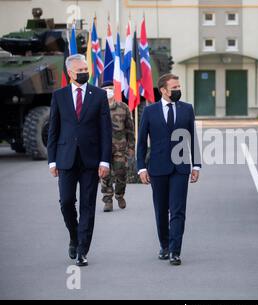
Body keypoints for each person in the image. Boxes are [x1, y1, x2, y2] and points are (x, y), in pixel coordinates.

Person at [47, 54, 112, 267]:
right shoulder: (59, 96)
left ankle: (82, 250)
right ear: (70, 73)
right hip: (65, 159)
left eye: (86, 69)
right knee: (66, 202)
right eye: (80, 70)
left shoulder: (99, 95)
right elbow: (53, 130)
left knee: (87, 205)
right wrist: (52, 161)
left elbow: (105, 131)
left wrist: (105, 161)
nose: (85, 73)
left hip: (91, 160)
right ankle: (74, 236)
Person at [136, 73, 201, 266]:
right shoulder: (150, 111)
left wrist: (196, 165)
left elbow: (193, 138)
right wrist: (141, 168)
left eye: (179, 86)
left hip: (180, 168)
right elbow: (141, 143)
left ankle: (175, 250)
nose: (178, 90)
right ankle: (164, 245)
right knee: (161, 210)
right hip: (157, 168)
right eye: (174, 88)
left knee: (178, 210)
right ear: (163, 90)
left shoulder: (187, 109)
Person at [99, 81, 135, 212]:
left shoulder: (123, 107)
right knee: (105, 175)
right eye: (105, 89)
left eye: (110, 88)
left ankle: (120, 195)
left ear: (114, 90)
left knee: (121, 172)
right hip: (103, 149)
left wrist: (131, 146)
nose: (108, 91)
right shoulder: (97, 108)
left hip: (120, 147)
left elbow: (130, 129)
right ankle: (107, 199)